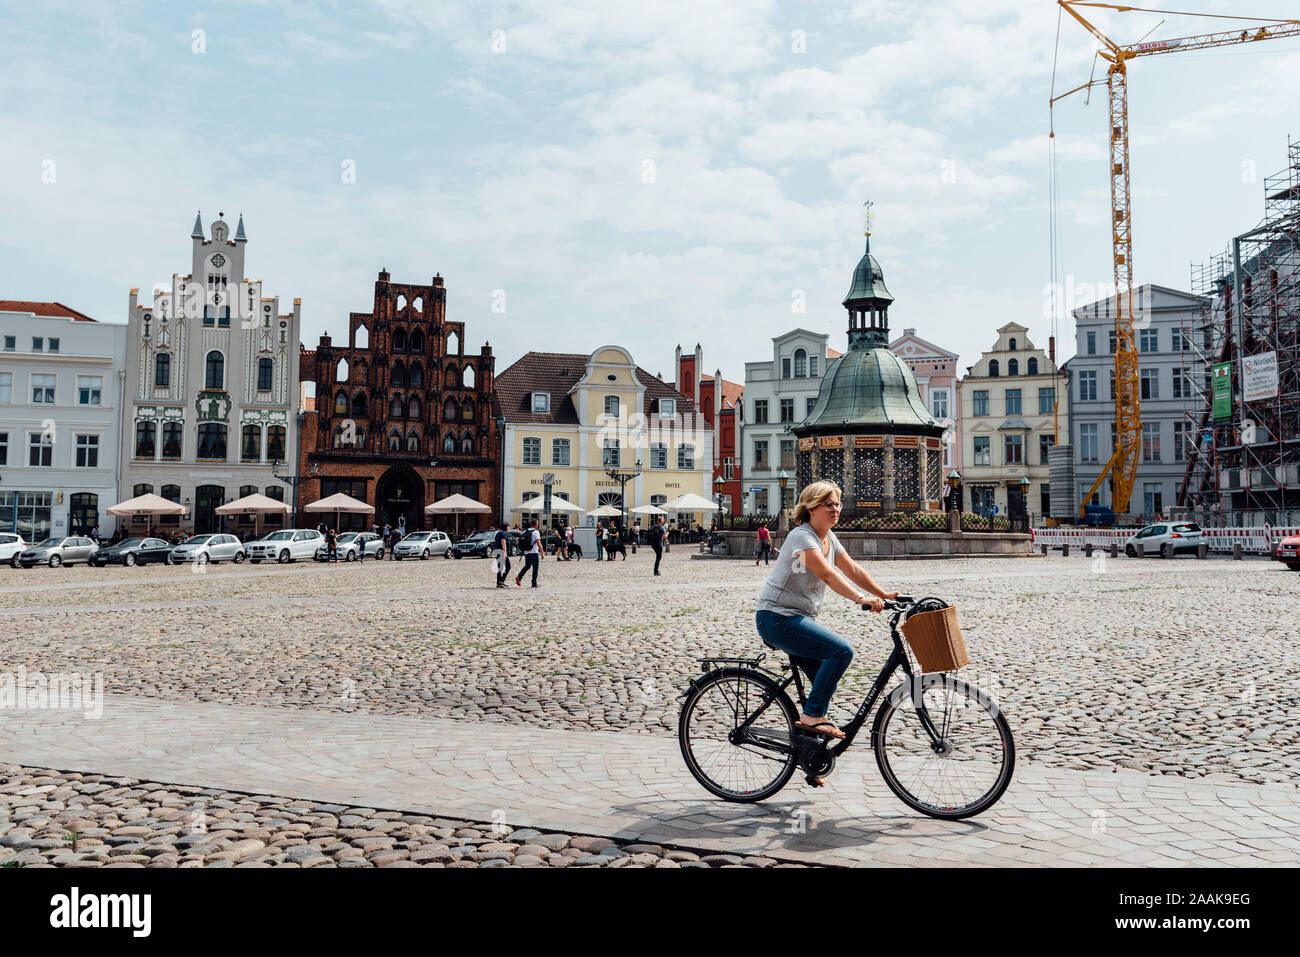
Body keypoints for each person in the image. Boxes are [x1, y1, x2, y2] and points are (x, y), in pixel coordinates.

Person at [755, 480, 896, 754]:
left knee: (823, 679)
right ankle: (811, 718)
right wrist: (860, 598)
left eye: (837, 504)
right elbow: (827, 573)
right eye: (828, 504)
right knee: (841, 651)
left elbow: (852, 569)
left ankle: (809, 752)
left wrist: (885, 595)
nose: (835, 509)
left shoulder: (828, 537)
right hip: (777, 617)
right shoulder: (802, 536)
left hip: (796, 619)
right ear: (810, 508)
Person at [516, 520, 541, 588]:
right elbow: (538, 542)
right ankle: (534, 583)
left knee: (527, 566)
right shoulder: (536, 532)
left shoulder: (525, 531)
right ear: (536, 525)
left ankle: (519, 577)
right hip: (534, 552)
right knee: (535, 568)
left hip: (527, 552)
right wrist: (542, 552)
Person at [493, 522, 512, 588]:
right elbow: (503, 542)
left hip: (497, 551)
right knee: (508, 567)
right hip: (501, 551)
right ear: (506, 527)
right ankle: (501, 581)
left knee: (500, 568)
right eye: (508, 526)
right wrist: (505, 552)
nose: (509, 528)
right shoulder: (503, 534)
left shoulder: (498, 533)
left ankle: (499, 582)